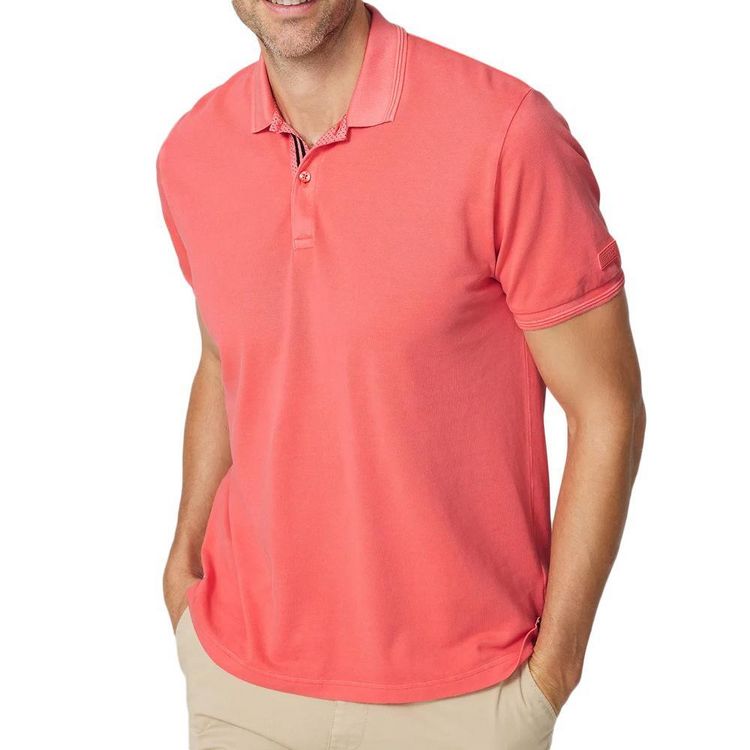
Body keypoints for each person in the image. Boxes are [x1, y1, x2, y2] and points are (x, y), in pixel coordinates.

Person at [156, 2, 646, 748]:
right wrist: (184, 562)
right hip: (240, 686)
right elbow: (226, 356)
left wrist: (554, 673)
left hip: (462, 701)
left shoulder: (505, 135)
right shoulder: (191, 152)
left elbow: (606, 407)